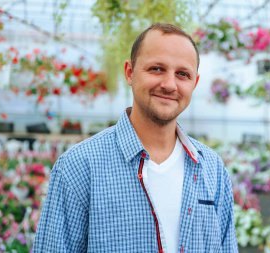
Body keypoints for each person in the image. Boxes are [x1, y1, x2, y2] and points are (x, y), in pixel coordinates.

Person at [33, 23, 238, 253]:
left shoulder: (211, 168)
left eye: (182, 74)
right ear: (130, 72)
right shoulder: (80, 166)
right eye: (157, 69)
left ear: (194, 83)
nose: (170, 84)